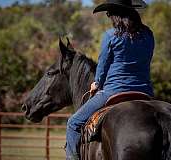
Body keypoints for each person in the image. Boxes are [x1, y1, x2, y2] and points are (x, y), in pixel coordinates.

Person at [66, 0, 155, 159]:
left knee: (73, 124)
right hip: (144, 91)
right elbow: (146, 60)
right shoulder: (148, 35)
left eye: (109, 14)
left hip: (114, 90)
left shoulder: (110, 36)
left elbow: (103, 64)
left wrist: (97, 83)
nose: (108, 17)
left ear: (116, 15)